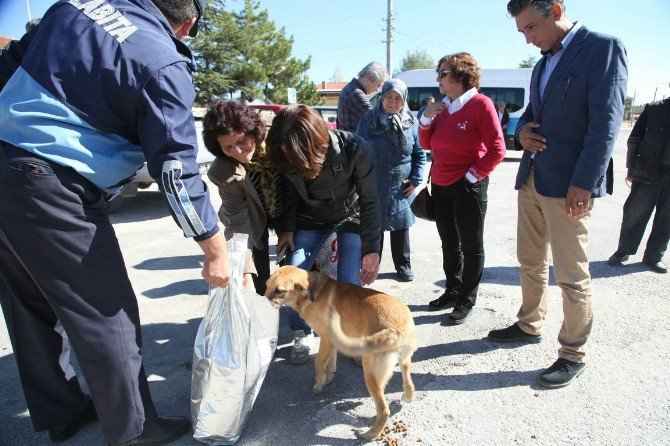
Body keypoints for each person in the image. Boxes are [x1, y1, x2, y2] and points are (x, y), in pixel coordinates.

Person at [0, 1, 232, 445]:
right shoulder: (161, 59)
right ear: (188, 22)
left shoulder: (74, 7)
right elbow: (175, 172)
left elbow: (9, 63)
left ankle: (61, 412)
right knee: (108, 314)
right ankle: (135, 429)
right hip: (52, 182)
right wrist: (214, 248)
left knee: (28, 301)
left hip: (5, 160)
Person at [487, 0, 628, 389]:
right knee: (529, 260)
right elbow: (533, 112)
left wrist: (585, 181)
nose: (529, 39)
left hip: (570, 186)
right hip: (533, 177)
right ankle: (529, 323)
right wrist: (521, 134)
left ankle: (572, 353)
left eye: (532, 28)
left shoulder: (601, 48)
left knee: (570, 273)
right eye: (522, 32)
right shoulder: (541, 64)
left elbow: (606, 122)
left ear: (555, 9)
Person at [266, 104, 381, 364]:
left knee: (349, 280)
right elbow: (288, 194)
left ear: (315, 142)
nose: (289, 160)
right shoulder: (284, 150)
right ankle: (302, 331)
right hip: (308, 219)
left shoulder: (356, 148)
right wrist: (287, 229)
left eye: (294, 155)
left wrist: (372, 249)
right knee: (292, 273)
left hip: (349, 215)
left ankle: (351, 335)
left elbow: (371, 201)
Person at [418, 52, 506, 324]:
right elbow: (426, 145)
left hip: (468, 186)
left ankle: (467, 298)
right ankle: (452, 290)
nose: (438, 78)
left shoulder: (481, 104)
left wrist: (473, 176)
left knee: (471, 245)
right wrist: (426, 119)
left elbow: (497, 149)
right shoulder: (442, 107)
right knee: (449, 243)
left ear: (460, 76)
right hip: (441, 185)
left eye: (443, 73)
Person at [204, 100, 286, 294]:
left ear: (253, 133)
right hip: (252, 220)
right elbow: (238, 223)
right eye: (228, 147)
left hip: (288, 211)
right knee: (257, 278)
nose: (238, 152)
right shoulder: (221, 171)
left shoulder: (280, 143)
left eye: (240, 141)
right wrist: (243, 272)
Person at [356, 79, 426, 282]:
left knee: (400, 227)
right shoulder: (368, 120)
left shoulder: (411, 123)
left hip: (401, 184)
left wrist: (415, 179)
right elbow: (357, 150)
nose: (393, 102)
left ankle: (403, 266)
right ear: (382, 97)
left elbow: (419, 154)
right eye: (389, 97)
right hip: (373, 181)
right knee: (373, 226)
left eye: (398, 98)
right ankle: (369, 267)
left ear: (403, 100)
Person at [608, 95, 670, 274]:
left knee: (666, 219)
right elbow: (634, 139)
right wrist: (631, 169)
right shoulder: (654, 109)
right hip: (648, 171)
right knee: (635, 213)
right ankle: (623, 251)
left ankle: (654, 257)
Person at [337, 61, 388, 132]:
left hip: (346, 138)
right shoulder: (357, 94)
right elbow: (377, 123)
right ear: (370, 79)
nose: (377, 90)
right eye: (378, 85)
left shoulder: (349, 87)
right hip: (353, 141)